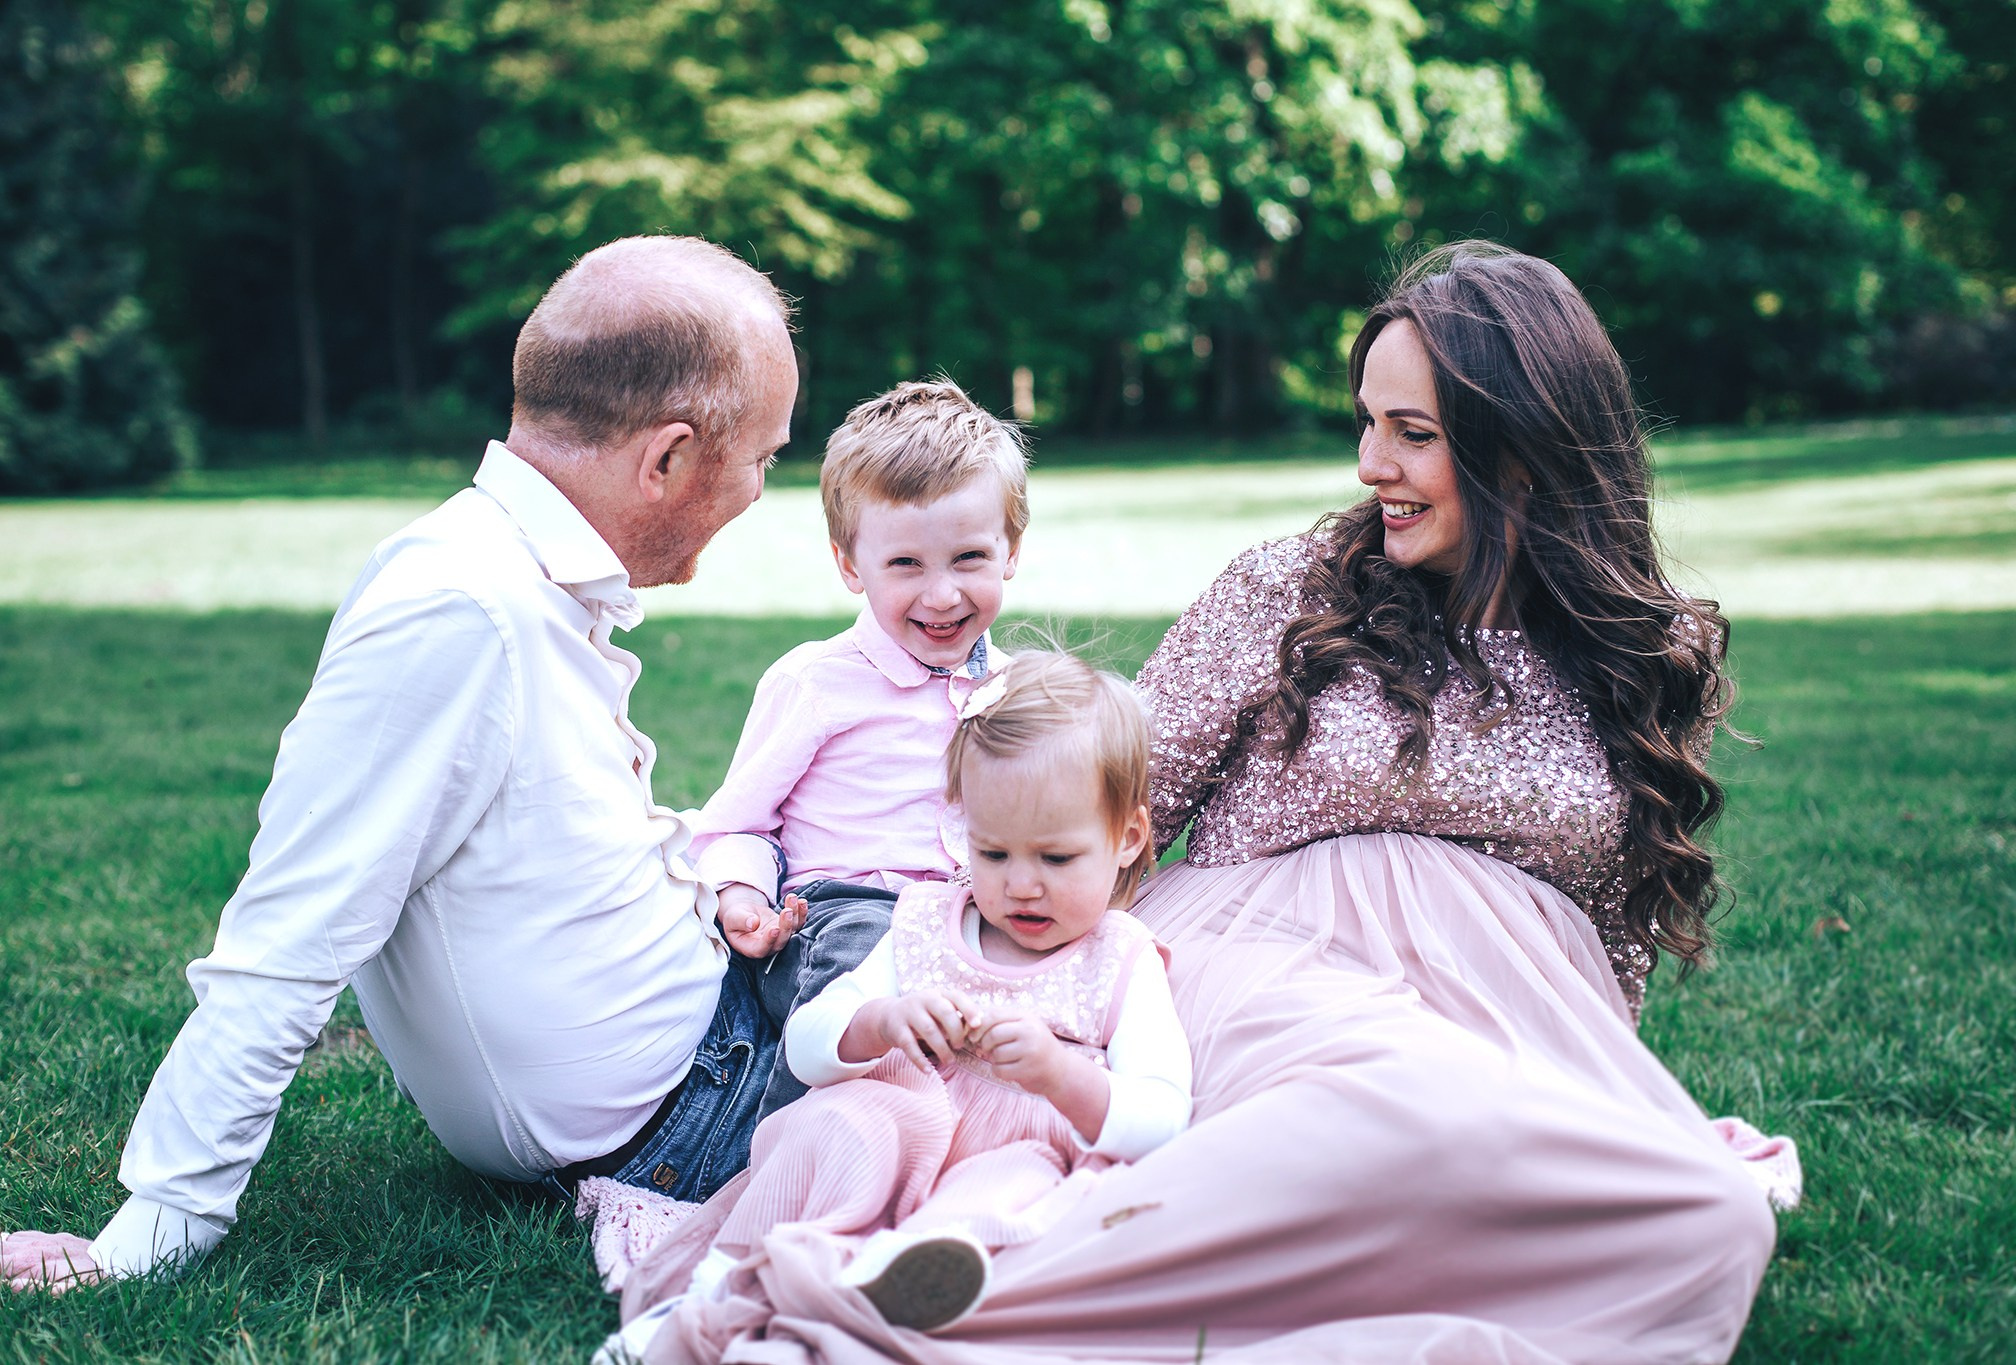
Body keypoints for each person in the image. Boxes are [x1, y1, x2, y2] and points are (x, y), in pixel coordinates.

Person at [611, 241, 1784, 1364]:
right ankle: (922, 1301)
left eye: (1411, 434)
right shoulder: (1290, 589)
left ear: (1521, 449)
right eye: (1366, 424)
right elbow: (1107, 796)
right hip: (1265, 971)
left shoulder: (1642, 647)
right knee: (1382, 1118)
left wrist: (1593, 1077)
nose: (1370, 464)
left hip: (1497, 1031)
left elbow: (1611, 928)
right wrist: (967, 947)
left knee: (1707, 1221)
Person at [1, 235, 806, 1290]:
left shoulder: (512, 581)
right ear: (665, 458)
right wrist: (155, 1230)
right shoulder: (464, 607)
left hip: (717, 1030)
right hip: (700, 1105)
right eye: (764, 457)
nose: (760, 490)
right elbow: (292, 926)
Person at [609, 653, 1191, 1362]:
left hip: (1011, 1156)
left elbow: (1163, 1114)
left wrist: (1057, 1075)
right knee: (845, 1119)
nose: (1022, 884)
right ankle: (719, 1294)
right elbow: (807, 1044)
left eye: (1057, 859)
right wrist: (881, 1022)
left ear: (1126, 837)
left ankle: (873, 1294)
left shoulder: (1121, 958)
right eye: (994, 851)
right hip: (883, 1152)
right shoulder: (924, 924)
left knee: (1010, 1193)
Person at [688, 379, 1032, 1118]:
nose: (941, 596)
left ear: (1011, 552)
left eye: (968, 557)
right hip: (851, 913)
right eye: (905, 565)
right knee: (867, 992)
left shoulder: (1019, 692)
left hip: (975, 911)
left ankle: (993, 1134)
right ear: (851, 565)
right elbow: (735, 822)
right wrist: (741, 892)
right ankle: (799, 1151)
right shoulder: (819, 684)